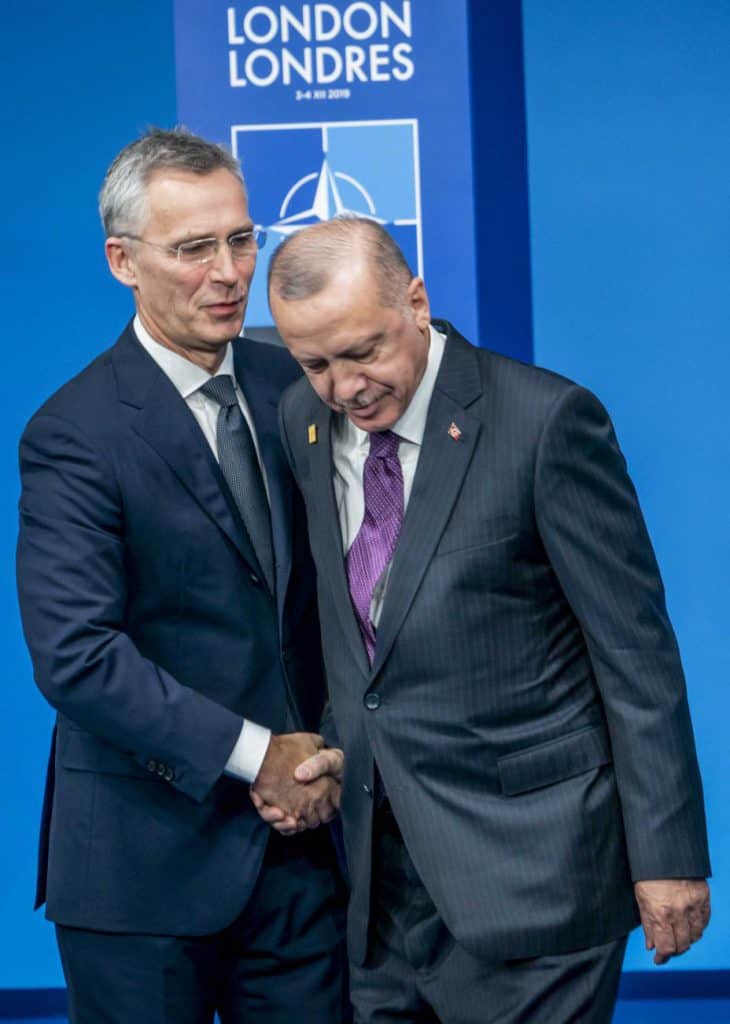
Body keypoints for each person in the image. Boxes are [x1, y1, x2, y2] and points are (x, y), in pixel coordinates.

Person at [262, 217, 711, 1023]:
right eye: (316, 363)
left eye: (363, 351)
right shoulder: (302, 420)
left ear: (417, 302)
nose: (346, 387)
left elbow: (635, 654)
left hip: (538, 879)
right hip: (379, 894)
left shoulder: (544, 422)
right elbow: (351, 639)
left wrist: (668, 858)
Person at [16, 129, 349, 1024]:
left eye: (241, 240)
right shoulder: (74, 432)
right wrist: (257, 755)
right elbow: (78, 656)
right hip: (143, 875)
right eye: (194, 248)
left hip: (306, 862)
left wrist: (325, 756)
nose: (229, 273)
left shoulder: (298, 386)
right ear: (123, 261)